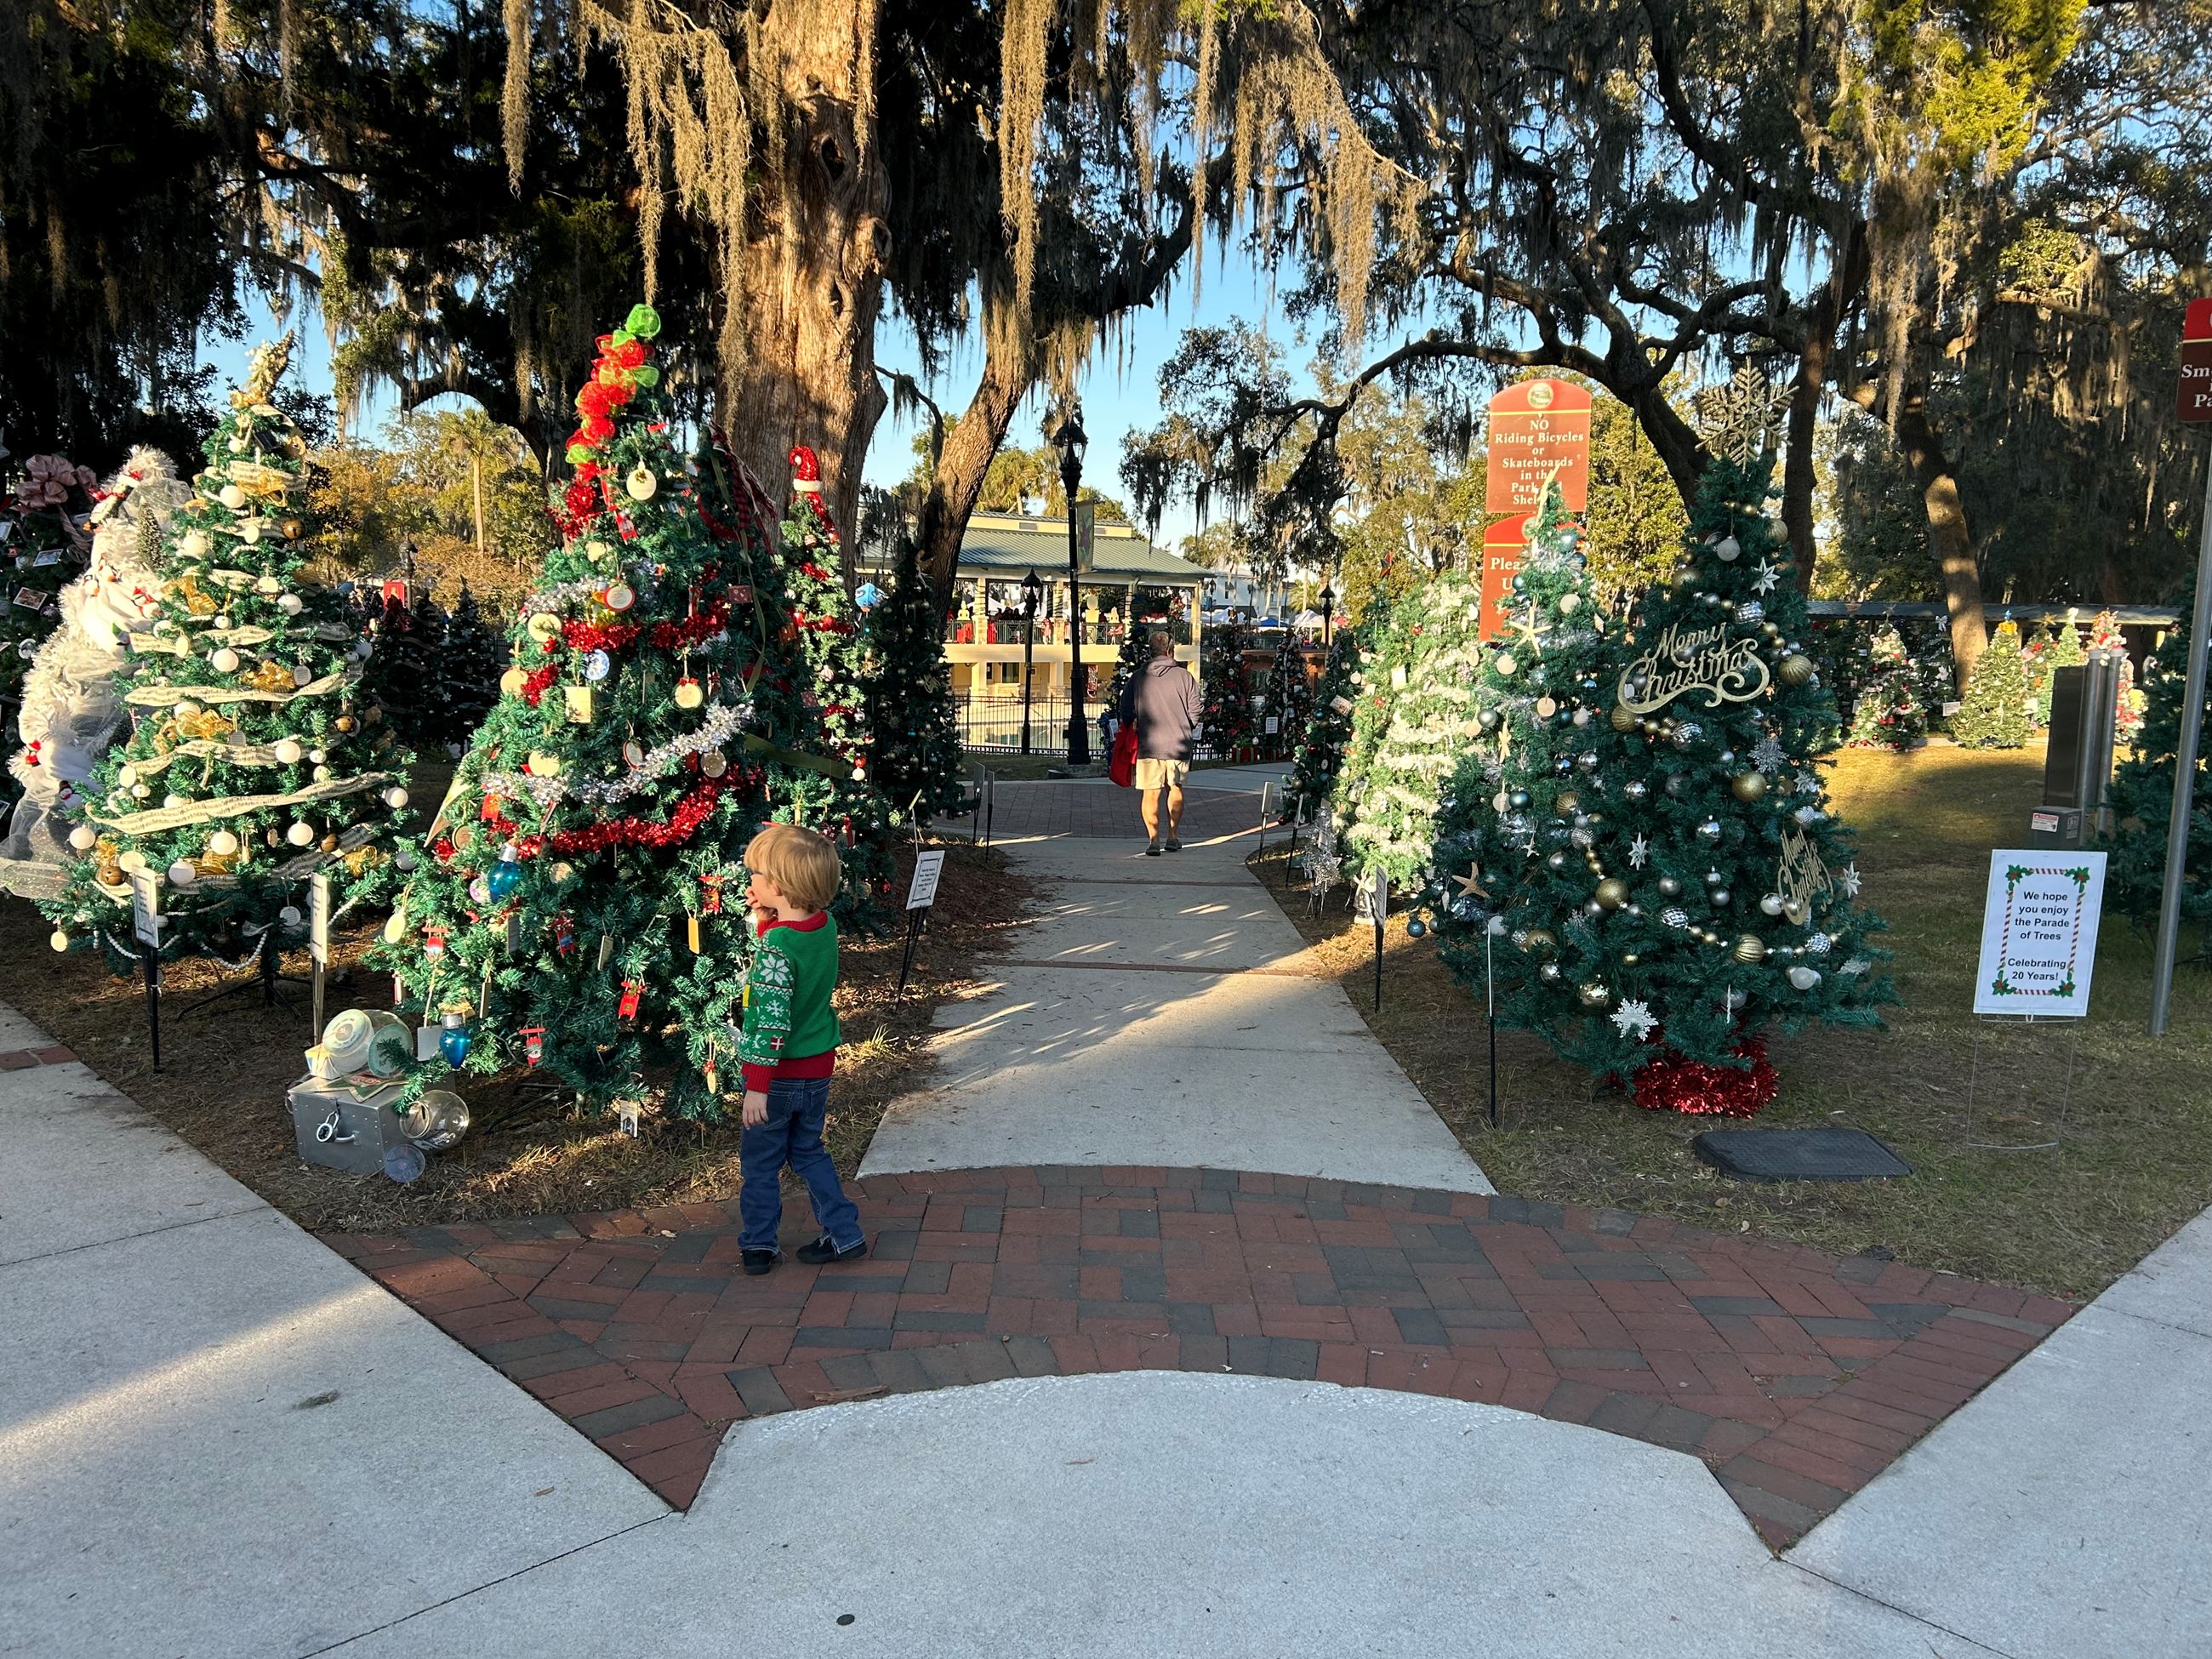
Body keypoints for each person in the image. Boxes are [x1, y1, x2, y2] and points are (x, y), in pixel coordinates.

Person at [736, 824, 868, 1274]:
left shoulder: (777, 945)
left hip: (778, 1075)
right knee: (808, 1150)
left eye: (756, 874)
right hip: (817, 1067)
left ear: (780, 885)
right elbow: (795, 950)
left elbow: (771, 1017)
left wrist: (757, 1086)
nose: (749, 881)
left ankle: (758, 1244)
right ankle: (844, 1232)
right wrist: (769, 916)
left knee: (759, 1163)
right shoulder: (823, 926)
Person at [1116, 630, 1201, 854]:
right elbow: (1195, 711)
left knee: (1150, 792)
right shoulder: (1184, 677)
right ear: (1170, 651)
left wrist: (1134, 722)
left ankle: (1153, 840)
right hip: (1178, 742)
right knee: (1175, 787)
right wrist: (1185, 725)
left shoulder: (1137, 677)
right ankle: (1173, 836)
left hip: (1148, 743)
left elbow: (1125, 711)